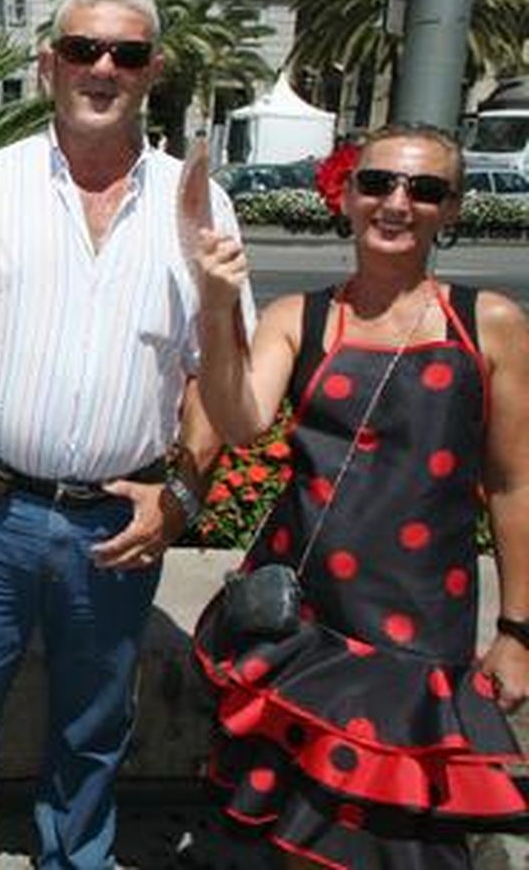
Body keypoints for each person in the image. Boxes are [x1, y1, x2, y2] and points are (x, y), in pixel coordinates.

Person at [0, 0, 243, 869]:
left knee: (93, 731)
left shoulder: (196, 203)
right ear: (49, 65)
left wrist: (182, 500)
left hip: (117, 521)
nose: (102, 66)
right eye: (82, 48)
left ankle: (75, 861)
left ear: (153, 70)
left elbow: (214, 381)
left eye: (126, 52)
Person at [190, 124, 529, 869]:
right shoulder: (298, 318)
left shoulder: (490, 324)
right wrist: (217, 309)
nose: (397, 202)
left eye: (425, 189)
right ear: (345, 194)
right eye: (378, 183)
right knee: (288, 823)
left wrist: (518, 630)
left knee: (396, 834)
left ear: (453, 210)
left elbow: (514, 483)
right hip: (305, 624)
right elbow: (242, 423)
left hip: (418, 630)